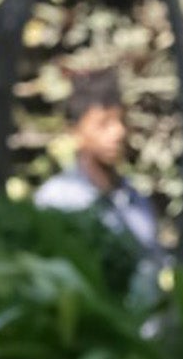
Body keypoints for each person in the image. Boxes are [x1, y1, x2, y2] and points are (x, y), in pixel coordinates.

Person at [32, 67, 165, 311]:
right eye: (104, 124)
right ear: (76, 130)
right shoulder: (56, 201)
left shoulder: (136, 199)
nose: (118, 132)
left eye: (120, 120)